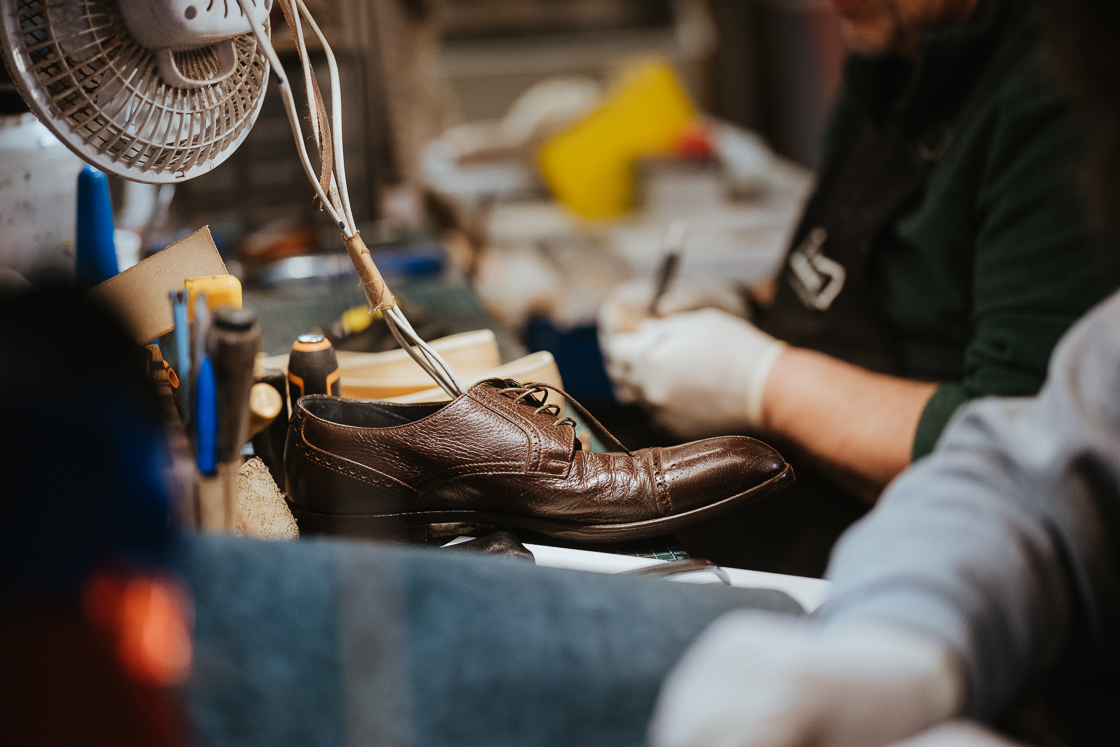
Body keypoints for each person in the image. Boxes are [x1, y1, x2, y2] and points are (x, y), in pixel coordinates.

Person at [647, 1, 1120, 744]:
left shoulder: (1050, 99)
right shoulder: (892, 64)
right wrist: (901, 636)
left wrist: (764, 379)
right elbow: (1032, 484)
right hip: (878, 578)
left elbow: (995, 405)